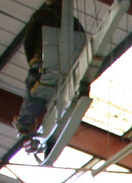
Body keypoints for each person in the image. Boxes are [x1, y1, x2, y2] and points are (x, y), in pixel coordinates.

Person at [13, 0, 83, 137]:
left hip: (43, 61)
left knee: (33, 90)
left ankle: (24, 123)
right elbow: (80, 42)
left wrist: (33, 61)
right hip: (69, 67)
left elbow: (29, 40)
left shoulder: (40, 15)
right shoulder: (74, 22)